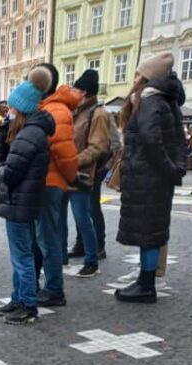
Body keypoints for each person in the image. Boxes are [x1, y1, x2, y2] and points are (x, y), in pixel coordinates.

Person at [115, 53, 186, 303]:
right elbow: (175, 140)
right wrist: (172, 169)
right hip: (154, 177)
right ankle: (145, 281)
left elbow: (151, 139)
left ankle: (146, 285)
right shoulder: (167, 101)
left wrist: (166, 168)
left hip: (148, 177)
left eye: (138, 74)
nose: (134, 78)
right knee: (152, 230)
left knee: (149, 233)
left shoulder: (150, 101)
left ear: (147, 77)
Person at [0, 80, 53, 325]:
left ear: (21, 109)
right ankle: (18, 298)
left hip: (20, 202)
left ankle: (28, 304)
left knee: (22, 256)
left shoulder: (27, 135)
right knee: (22, 253)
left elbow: (10, 172)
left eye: (11, 108)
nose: (9, 112)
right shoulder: (33, 132)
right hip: (24, 201)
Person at [31, 63, 79, 306]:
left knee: (48, 237)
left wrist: (71, 176)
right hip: (46, 181)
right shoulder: (49, 108)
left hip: (49, 182)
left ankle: (54, 289)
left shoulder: (55, 110)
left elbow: (63, 150)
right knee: (43, 236)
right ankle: (46, 285)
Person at [65, 69, 110, 278]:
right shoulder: (76, 110)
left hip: (82, 173)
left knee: (83, 216)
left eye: (75, 88)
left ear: (84, 92)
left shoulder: (97, 113)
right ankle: (74, 252)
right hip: (67, 171)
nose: (72, 90)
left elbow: (98, 147)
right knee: (67, 216)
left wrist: (74, 161)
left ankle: (92, 260)